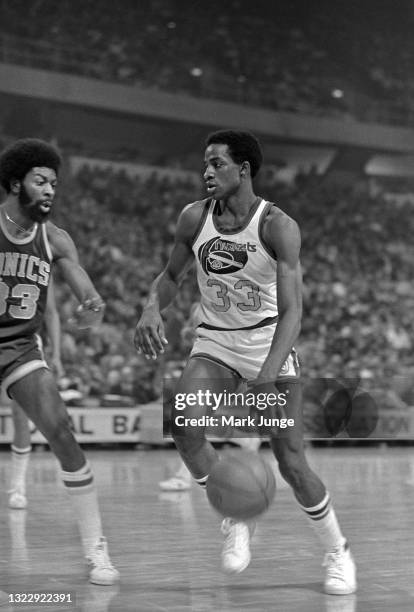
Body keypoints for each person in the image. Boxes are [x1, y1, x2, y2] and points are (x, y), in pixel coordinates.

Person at [135, 130, 356, 595]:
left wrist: (268, 374)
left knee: (292, 462)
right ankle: (235, 516)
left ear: (244, 170)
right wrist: (152, 307)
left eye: (217, 163)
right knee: (183, 424)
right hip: (215, 341)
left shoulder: (278, 225)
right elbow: (171, 276)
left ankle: (338, 551)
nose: (207, 172)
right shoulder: (194, 218)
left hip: (267, 342)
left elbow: (294, 311)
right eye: (205, 164)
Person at [0, 138, 119, 585]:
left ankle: (97, 549)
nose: (50, 190)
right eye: (41, 181)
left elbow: (88, 293)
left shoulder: (55, 239)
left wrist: (92, 306)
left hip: (19, 346)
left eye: (54, 183)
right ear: (16, 183)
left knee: (62, 431)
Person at [8, 279, 63, 509]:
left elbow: (50, 312)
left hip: (22, 343)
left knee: (20, 416)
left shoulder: (39, 261)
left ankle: (17, 485)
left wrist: (57, 354)